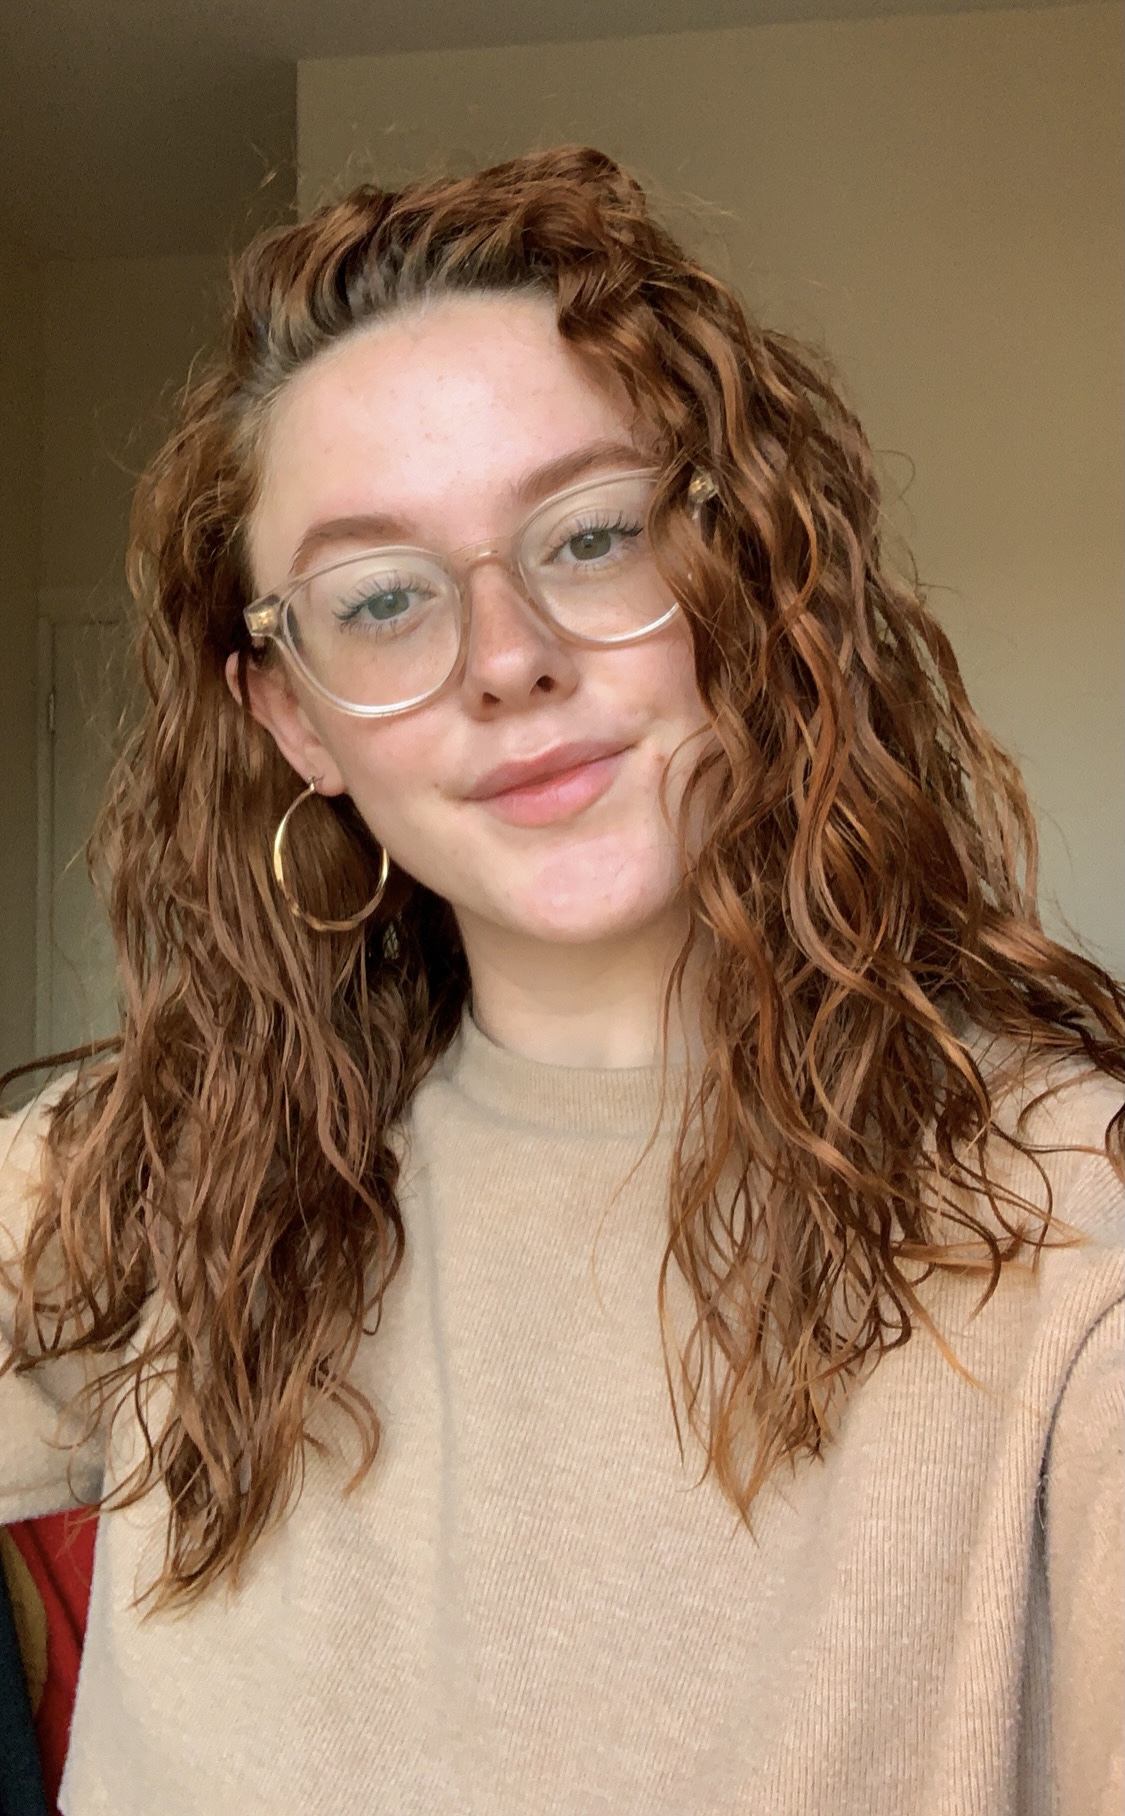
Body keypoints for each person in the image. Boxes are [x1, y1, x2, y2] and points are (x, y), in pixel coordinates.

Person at [1, 145, 1121, 1816]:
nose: (508, 656)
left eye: (591, 536)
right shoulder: (147, 1178)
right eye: (381, 597)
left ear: (744, 579)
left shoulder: (1067, 1222)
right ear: (294, 720)